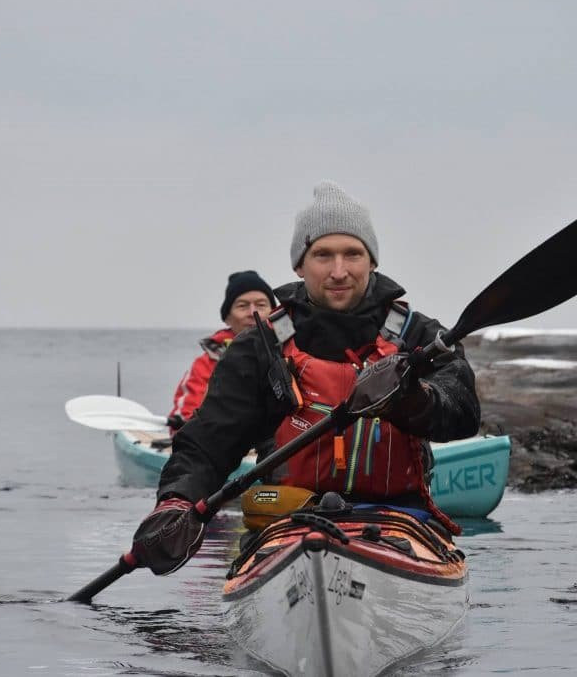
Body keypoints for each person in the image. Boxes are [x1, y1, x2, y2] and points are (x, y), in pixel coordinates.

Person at [130, 181, 481, 575]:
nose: (338, 271)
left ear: (372, 261)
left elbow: (463, 414)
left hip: (400, 521)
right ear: (299, 264)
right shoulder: (260, 347)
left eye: (352, 254)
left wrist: (415, 397)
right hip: (287, 523)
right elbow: (209, 443)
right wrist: (177, 501)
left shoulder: (419, 337)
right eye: (322, 255)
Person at [166, 270, 277, 433]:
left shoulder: (296, 352)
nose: (253, 313)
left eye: (261, 305)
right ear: (227, 317)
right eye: (242, 306)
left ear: (274, 312)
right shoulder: (205, 365)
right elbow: (186, 423)